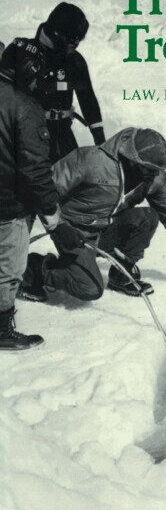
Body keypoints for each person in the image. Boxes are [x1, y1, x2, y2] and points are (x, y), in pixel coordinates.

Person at [19, 127, 166, 303]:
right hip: (73, 232)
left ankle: (120, 275)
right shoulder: (90, 161)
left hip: (105, 229)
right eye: (149, 169)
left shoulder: (155, 178)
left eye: (157, 170)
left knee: (147, 217)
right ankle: (35, 270)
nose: (154, 174)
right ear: (133, 160)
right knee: (89, 288)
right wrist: (57, 226)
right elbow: (40, 192)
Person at [0, 55, 84, 350]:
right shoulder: (25, 107)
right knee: (9, 269)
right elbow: (35, 171)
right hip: (8, 205)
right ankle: (1, 331)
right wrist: (54, 220)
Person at [0, 2, 105, 162]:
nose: (76, 45)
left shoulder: (76, 61)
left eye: (79, 40)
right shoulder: (20, 51)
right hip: (25, 137)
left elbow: (88, 100)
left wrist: (101, 143)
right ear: (56, 34)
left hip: (63, 138)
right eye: (72, 40)